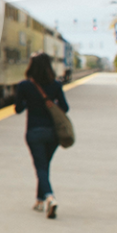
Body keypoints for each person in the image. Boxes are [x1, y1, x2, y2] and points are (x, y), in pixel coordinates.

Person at [14, 53, 68, 219]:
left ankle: (50, 198)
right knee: (43, 166)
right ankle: (39, 200)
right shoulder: (56, 85)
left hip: (34, 132)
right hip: (53, 133)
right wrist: (52, 103)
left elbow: (18, 109)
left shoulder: (24, 86)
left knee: (41, 167)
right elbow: (65, 108)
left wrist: (28, 101)